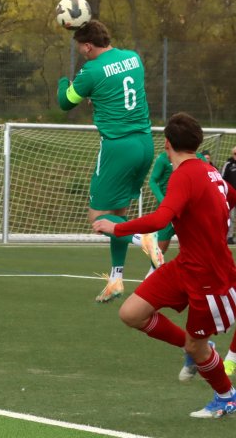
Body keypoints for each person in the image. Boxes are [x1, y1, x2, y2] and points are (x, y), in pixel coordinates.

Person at [91, 113, 236, 418]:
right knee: (131, 313)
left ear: (167, 144)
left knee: (198, 349)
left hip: (209, 275)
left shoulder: (184, 175)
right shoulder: (210, 172)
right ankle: (197, 346)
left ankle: (226, 396)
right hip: (186, 265)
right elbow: (229, 198)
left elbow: (159, 219)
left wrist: (115, 227)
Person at [56, 19, 161, 303]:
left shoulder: (91, 70)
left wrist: (63, 81)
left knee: (99, 218)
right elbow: (114, 88)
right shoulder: (133, 58)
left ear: (88, 45)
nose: (81, 52)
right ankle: (116, 279)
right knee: (118, 214)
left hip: (117, 148)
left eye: (81, 48)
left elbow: (65, 102)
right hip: (145, 143)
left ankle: (144, 239)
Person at [147, 149, 211, 259]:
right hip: (168, 210)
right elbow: (153, 181)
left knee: (189, 248)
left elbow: (206, 180)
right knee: (160, 251)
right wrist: (164, 201)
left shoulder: (200, 158)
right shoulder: (163, 159)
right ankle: (152, 272)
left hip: (188, 210)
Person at [223, 147, 236, 245]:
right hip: (231, 196)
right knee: (230, 216)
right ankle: (229, 236)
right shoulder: (228, 164)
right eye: (235, 153)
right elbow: (222, 178)